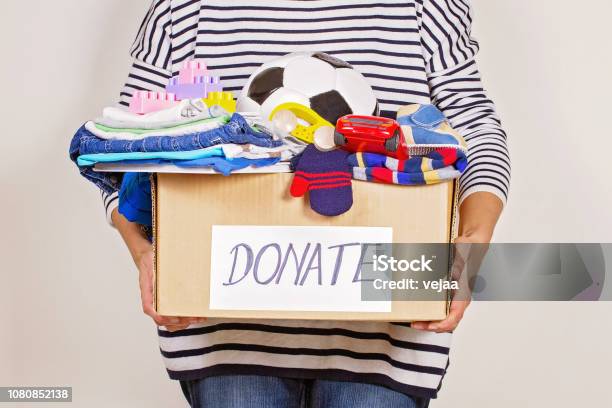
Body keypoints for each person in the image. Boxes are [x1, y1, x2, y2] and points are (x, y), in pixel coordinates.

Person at [105, 1, 510, 407]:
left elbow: (474, 128)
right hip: (226, 337)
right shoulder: (183, 10)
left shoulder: (427, 8)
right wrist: (145, 252)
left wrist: (471, 245)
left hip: (388, 340)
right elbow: (119, 142)